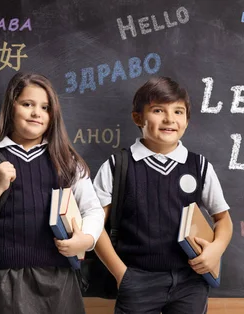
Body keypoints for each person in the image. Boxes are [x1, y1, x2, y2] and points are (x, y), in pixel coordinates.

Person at [0, 72, 104, 314]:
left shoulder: (66, 160)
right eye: (27, 104)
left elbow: (92, 209)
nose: (36, 113)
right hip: (3, 279)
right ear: (11, 107)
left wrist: (86, 240)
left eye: (45, 107)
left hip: (59, 277)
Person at [93, 76, 233, 313]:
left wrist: (216, 249)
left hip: (191, 280)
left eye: (178, 112)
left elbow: (223, 219)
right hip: (137, 279)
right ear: (138, 117)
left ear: (187, 120)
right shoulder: (118, 166)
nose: (170, 119)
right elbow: (94, 225)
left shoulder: (198, 166)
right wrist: (121, 274)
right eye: (158, 110)